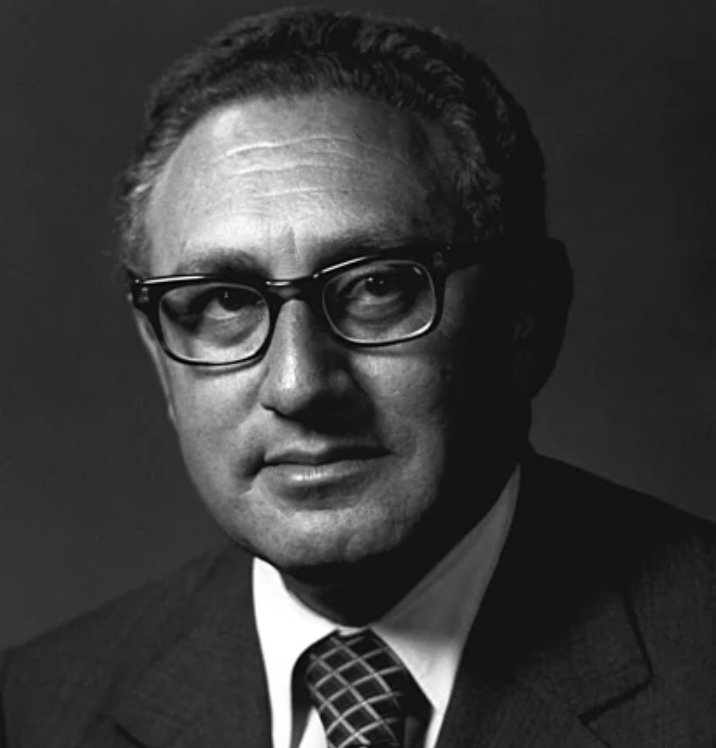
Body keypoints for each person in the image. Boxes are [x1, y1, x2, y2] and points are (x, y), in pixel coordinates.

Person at [2, 7, 715, 747]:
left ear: (526, 315)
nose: (298, 385)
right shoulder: (33, 709)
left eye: (376, 287)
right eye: (224, 302)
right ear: (159, 354)